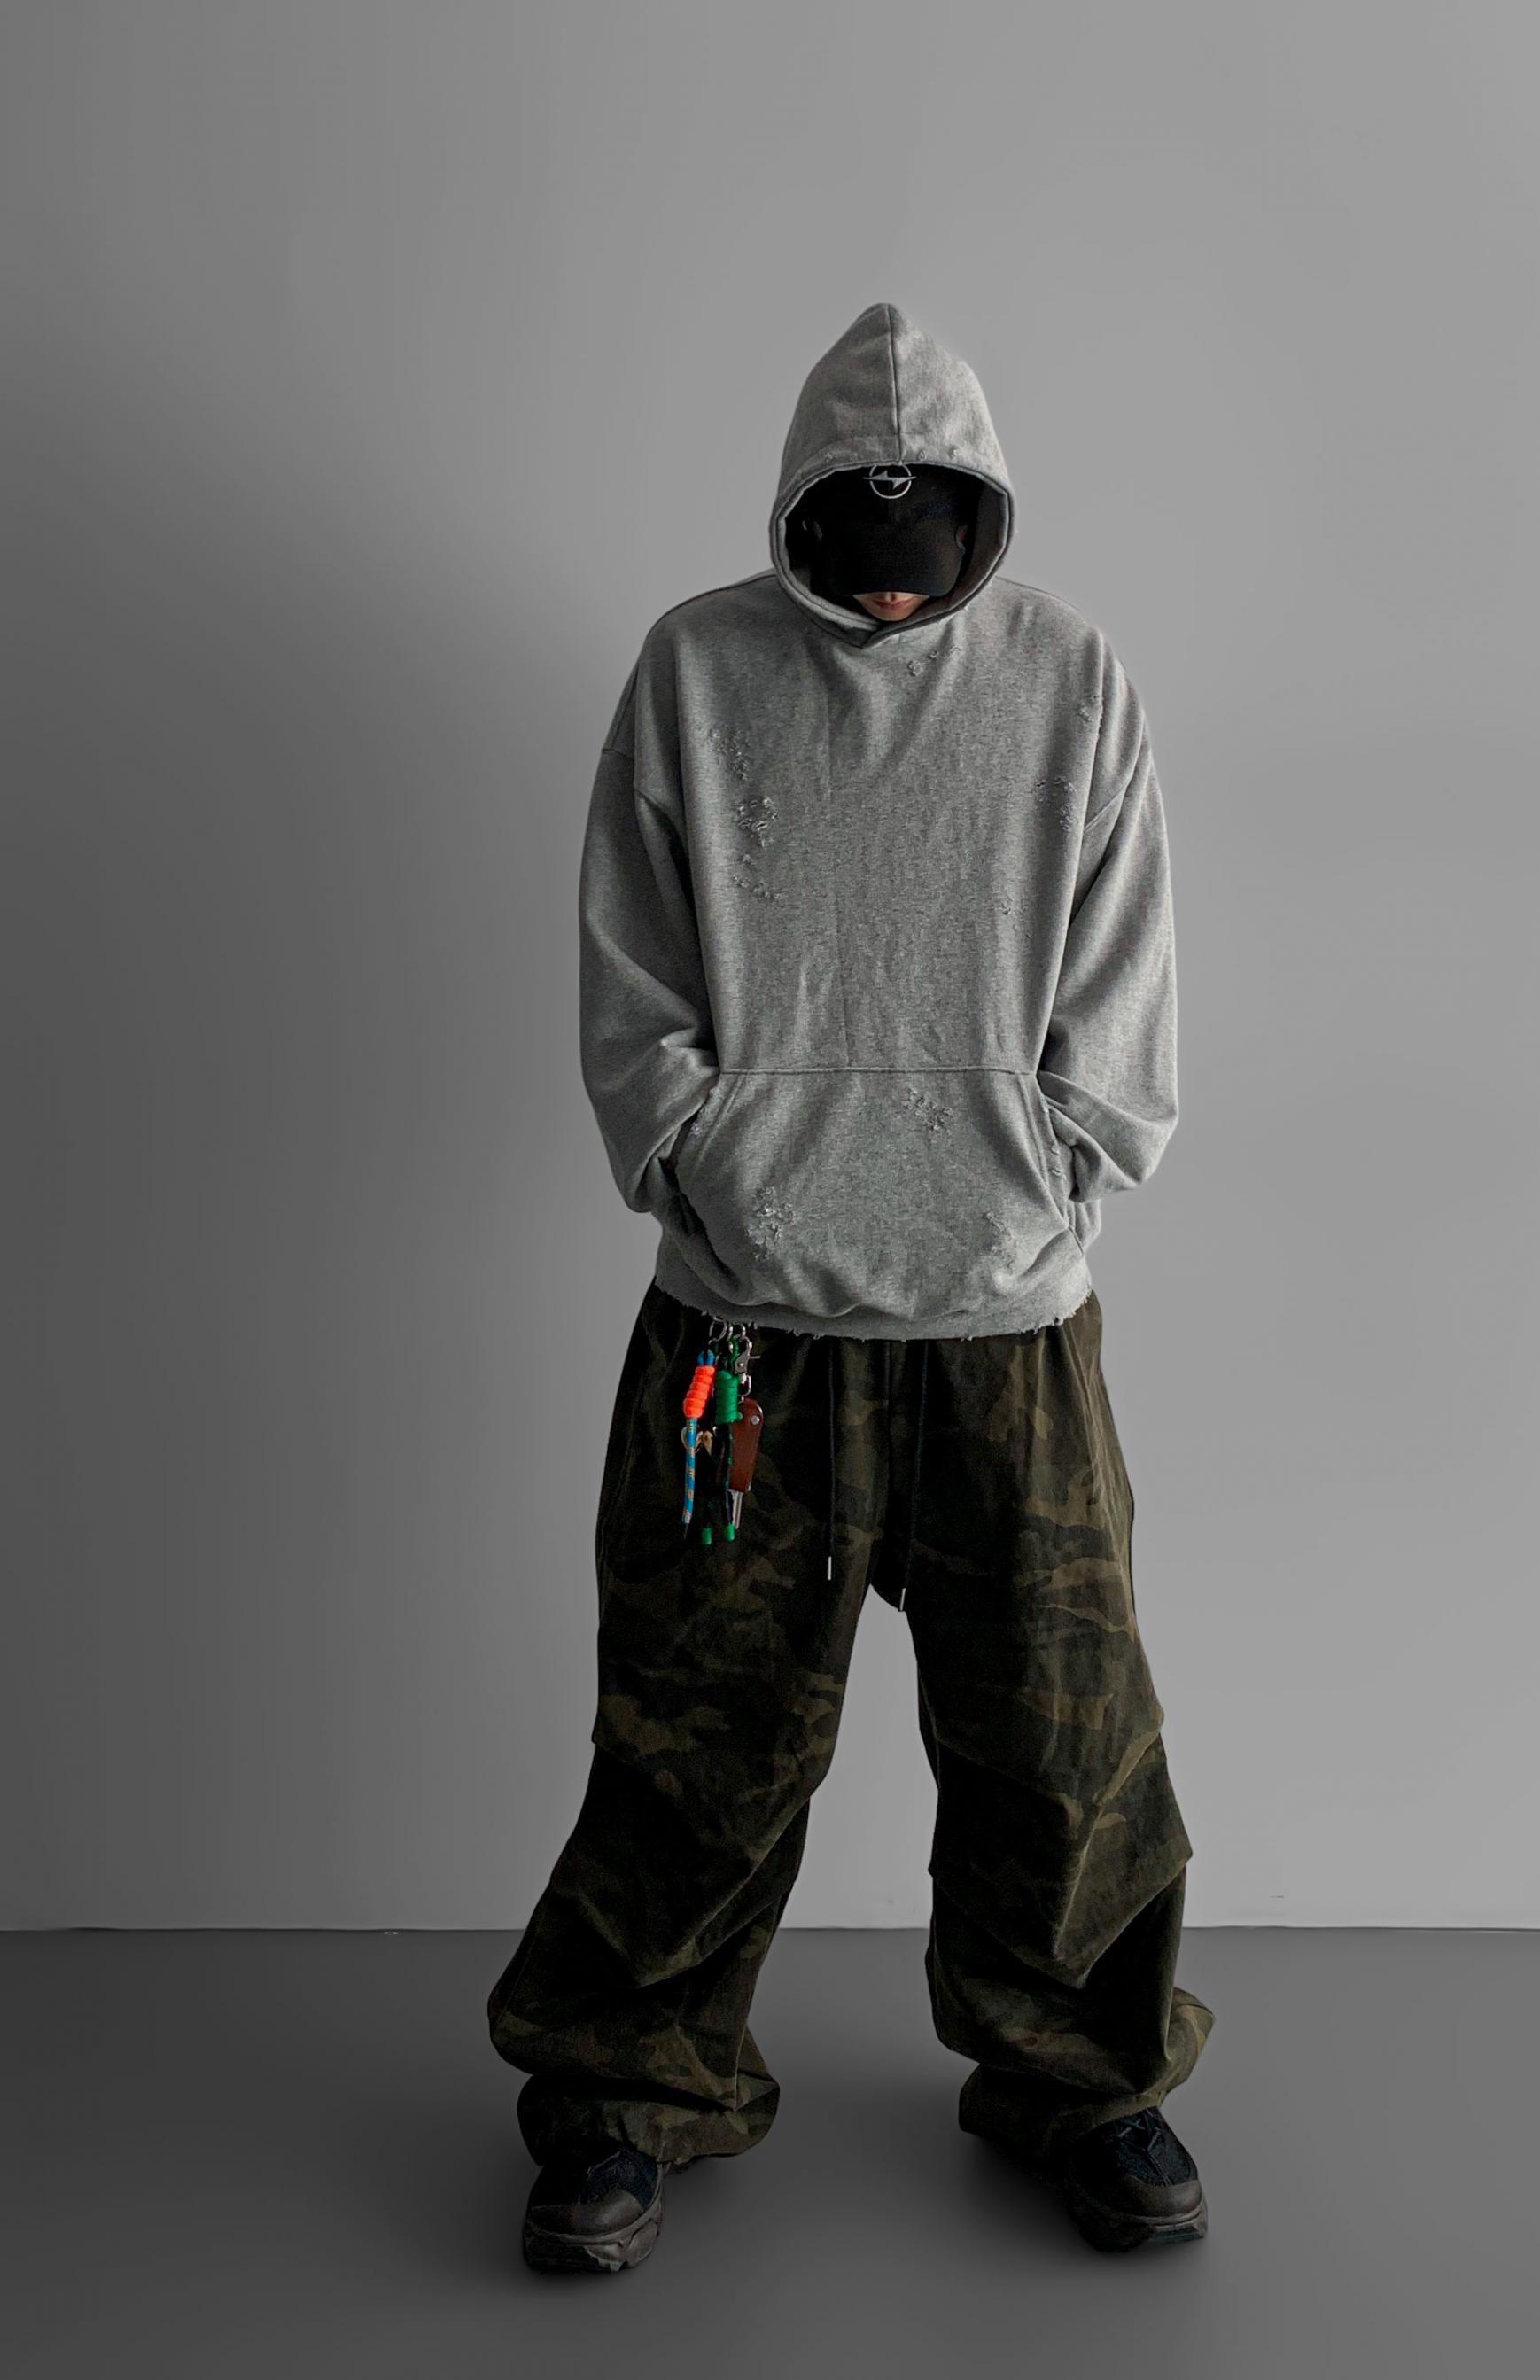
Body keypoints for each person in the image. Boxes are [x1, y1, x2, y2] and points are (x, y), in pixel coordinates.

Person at [486, 301, 1215, 2273]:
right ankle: (627, 2085)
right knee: (694, 1731)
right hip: (743, 1330)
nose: (895, 572)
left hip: (1007, 1329)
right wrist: (709, 1163)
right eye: (861, 529)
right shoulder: (696, 669)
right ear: (807, 507)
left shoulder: (1071, 676)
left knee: (1063, 1737)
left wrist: (1044, 1173)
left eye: (929, 531)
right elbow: (633, 972)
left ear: (980, 510)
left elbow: (1126, 992)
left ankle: (1085, 2076)